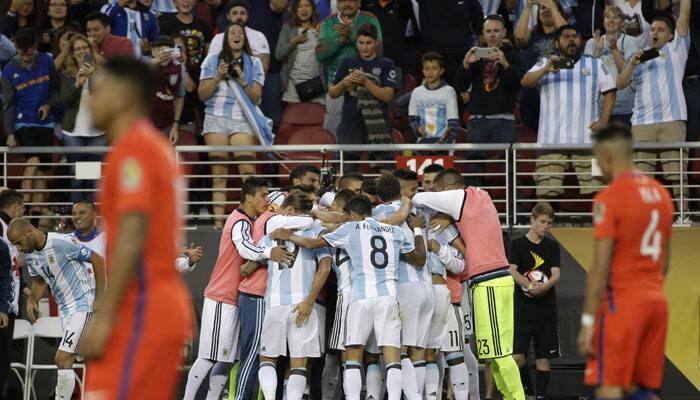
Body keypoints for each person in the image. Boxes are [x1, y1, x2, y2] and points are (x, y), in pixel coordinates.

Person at [78, 57, 191, 399]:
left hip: (141, 310)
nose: (89, 100)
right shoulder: (151, 148)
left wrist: (105, 316)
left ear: (122, 96)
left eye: (96, 91)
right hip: (151, 308)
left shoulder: (135, 150)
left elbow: (132, 231)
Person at [270, 194, 427, 400]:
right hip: (389, 297)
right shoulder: (394, 231)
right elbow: (419, 258)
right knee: (392, 356)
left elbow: (310, 243)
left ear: (352, 214)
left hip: (360, 297)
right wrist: (417, 231)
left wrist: (289, 236)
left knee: (352, 354)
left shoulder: (350, 228)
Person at [577, 123, 673, 400]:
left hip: (622, 304)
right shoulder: (662, 195)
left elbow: (600, 267)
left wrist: (587, 321)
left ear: (607, 157)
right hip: (656, 302)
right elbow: (664, 262)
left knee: (610, 387)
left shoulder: (609, 198)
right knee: (639, 389)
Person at [412, 168, 526, 400]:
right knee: (493, 353)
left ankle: (517, 398)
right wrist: (449, 217)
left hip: (490, 282)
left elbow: (417, 198)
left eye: (437, 190)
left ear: (446, 189)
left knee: (500, 354)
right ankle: (509, 396)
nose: (435, 194)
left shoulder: (458, 197)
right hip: (493, 281)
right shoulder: (478, 196)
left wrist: (444, 212)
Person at [183, 177, 292, 400]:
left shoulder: (250, 221)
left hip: (234, 297)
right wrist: (269, 253)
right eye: (262, 195)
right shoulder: (239, 221)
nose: (266, 199)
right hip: (221, 297)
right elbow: (245, 248)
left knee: (225, 357)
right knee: (208, 356)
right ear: (248, 197)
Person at [8, 217, 105, 400]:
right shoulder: (30, 255)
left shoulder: (62, 243)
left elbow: (97, 260)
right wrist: (32, 300)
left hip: (83, 305)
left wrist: (99, 298)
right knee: (90, 360)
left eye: (19, 242)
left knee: (62, 358)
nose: (19, 248)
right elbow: (38, 280)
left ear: (29, 232)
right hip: (65, 311)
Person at [616, 0, 691, 223]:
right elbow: (620, 84)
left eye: (660, 30)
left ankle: (684, 216)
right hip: (641, 123)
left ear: (670, 35)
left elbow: (684, 14)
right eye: (652, 30)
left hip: (672, 120)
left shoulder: (677, 49)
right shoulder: (638, 58)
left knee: (676, 172)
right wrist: (632, 63)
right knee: (642, 177)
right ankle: (642, 218)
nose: (655, 33)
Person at [521, 25, 616, 201]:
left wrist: (604, 120)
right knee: (547, 193)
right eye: (566, 36)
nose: (571, 39)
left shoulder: (595, 63)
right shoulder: (545, 62)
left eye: (574, 36)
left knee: (599, 190)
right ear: (557, 42)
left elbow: (610, 91)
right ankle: (549, 229)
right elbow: (525, 81)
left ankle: (598, 228)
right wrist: (545, 70)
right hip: (551, 141)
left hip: (589, 141)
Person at [256, 194, 331, 400]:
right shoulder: (316, 230)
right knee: (299, 364)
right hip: (303, 304)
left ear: (289, 210)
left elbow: (252, 260)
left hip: (275, 304)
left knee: (267, 360)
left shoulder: (272, 231)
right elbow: (325, 268)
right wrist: (309, 301)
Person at [199, 22, 271, 228]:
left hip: (242, 119)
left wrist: (241, 78)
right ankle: (218, 224)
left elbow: (256, 98)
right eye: (232, 32)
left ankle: (254, 220)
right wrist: (217, 77)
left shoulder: (254, 63)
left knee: (247, 172)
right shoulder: (212, 60)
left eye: (240, 32)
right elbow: (202, 95)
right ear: (226, 38)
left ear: (244, 39)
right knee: (219, 172)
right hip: (215, 117)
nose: (237, 35)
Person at [373, 171, 430, 399]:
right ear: (401, 191)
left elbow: (417, 257)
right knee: (419, 352)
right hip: (427, 288)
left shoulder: (378, 213)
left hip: (403, 288)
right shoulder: (420, 213)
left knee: (399, 350)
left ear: (378, 196)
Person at [457, 15, 522, 186]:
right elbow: (460, 86)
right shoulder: (475, 56)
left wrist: (505, 64)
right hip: (478, 120)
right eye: (488, 31)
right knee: (474, 170)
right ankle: (475, 211)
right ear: (483, 34)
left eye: (496, 31)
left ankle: (516, 212)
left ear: (504, 33)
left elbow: (519, 84)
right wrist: (465, 64)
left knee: (511, 169)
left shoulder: (513, 55)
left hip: (505, 120)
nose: (492, 35)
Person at [1, 28, 59, 217]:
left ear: (36, 47)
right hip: (22, 122)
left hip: (46, 122)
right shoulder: (8, 71)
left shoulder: (47, 61)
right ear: (16, 48)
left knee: (42, 170)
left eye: (30, 53)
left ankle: (35, 217)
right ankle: (20, 211)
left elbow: (56, 90)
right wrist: (9, 133)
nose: (26, 58)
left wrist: (49, 105)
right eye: (21, 53)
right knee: (33, 160)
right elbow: (8, 105)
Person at [508, 203, 561, 400]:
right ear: (532, 219)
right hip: (522, 309)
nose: (546, 226)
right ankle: (528, 392)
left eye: (549, 223)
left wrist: (544, 287)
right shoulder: (517, 244)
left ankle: (540, 396)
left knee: (543, 359)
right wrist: (529, 286)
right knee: (517, 358)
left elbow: (556, 273)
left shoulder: (552, 246)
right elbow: (511, 270)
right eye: (542, 222)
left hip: (546, 310)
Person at [328, 23, 397, 170]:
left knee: (381, 169)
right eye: (361, 43)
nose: (364, 47)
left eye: (368, 43)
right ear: (356, 42)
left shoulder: (386, 63)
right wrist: (344, 83)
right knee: (348, 168)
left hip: (379, 124)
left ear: (376, 42)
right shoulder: (348, 62)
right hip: (351, 121)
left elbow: (387, 96)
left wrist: (365, 81)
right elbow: (333, 93)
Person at [54, 33, 107, 203]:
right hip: (73, 133)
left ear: (91, 50)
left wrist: (92, 78)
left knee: (93, 179)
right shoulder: (67, 74)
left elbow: (105, 99)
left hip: (96, 134)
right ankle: (75, 218)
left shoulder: (101, 73)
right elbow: (64, 102)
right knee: (76, 178)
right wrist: (77, 83)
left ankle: (93, 220)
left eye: (85, 48)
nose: (81, 51)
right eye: (77, 49)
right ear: (72, 53)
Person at [316, 0, 383, 134]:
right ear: (337, 3)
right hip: (337, 83)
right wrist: (340, 40)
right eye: (343, 0)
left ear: (359, 3)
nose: (347, 4)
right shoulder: (329, 22)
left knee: (369, 128)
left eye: (352, 0)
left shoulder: (370, 19)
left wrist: (351, 35)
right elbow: (320, 55)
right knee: (334, 127)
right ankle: (335, 155)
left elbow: (379, 50)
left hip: (366, 82)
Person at [513, 0, 567, 130]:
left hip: (557, 93)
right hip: (531, 93)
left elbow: (566, 33)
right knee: (532, 137)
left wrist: (552, 5)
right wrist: (528, 7)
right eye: (542, 8)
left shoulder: (563, 37)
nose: (546, 10)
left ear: (558, 12)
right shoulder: (532, 34)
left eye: (550, 8)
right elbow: (519, 39)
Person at [584, 6, 641, 127]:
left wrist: (615, 49)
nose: (611, 20)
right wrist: (598, 51)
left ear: (622, 22)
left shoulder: (631, 41)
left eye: (616, 17)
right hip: (599, 107)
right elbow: (588, 74)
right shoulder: (592, 42)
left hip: (626, 107)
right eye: (607, 17)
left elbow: (628, 72)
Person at [416, 0, 484, 86]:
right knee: (430, 97)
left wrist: (481, 56)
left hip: (460, 59)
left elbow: (480, 30)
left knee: (460, 94)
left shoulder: (471, 2)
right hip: (431, 59)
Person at [276, 0, 325, 104]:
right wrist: (293, 42)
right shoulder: (288, 28)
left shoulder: (321, 28)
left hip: (316, 83)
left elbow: (327, 54)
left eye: (307, 6)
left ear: (313, 9)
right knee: (294, 118)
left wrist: (321, 38)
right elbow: (278, 55)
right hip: (293, 84)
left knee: (316, 118)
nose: (304, 9)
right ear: (295, 10)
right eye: (300, 6)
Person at [408, 52, 459, 144]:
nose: (430, 72)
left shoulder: (449, 91)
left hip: (444, 144)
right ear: (423, 71)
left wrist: (444, 142)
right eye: (427, 69)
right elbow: (413, 120)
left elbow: (453, 123)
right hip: (423, 143)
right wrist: (418, 129)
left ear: (441, 71)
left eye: (434, 68)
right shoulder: (416, 92)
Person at [361, 0, 415, 84]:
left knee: (397, 95)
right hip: (369, 62)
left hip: (396, 63)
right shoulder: (366, 4)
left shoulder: (404, 4)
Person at [207, 0, 271, 69]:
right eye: (235, 13)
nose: (239, 17)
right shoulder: (218, 39)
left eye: (242, 13)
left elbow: (262, 70)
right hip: (223, 79)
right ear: (228, 16)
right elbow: (211, 68)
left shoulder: (258, 36)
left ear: (247, 16)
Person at [149, 35, 186, 143]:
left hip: (167, 125)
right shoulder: (143, 63)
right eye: (160, 49)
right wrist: (157, 61)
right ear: (152, 51)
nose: (163, 52)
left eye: (167, 49)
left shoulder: (179, 67)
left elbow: (180, 96)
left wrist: (175, 124)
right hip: (144, 124)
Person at [160, 0, 212, 72]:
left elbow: (209, 53)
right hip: (178, 73)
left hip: (202, 73)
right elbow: (164, 54)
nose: (185, 1)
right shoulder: (167, 27)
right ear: (174, 3)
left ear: (194, 2)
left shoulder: (204, 25)